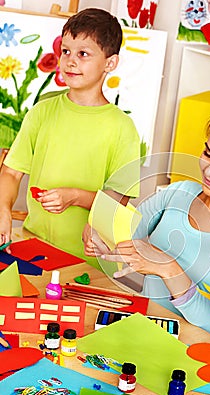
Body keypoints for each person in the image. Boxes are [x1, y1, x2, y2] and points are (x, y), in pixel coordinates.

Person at [86, 103, 210, 340]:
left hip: (194, 355)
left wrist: (169, 269)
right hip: (142, 331)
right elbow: (126, 236)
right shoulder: (179, 192)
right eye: (208, 154)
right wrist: (101, 234)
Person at [0, 8, 140, 264]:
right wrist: (3, 209)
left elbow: (121, 197)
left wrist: (76, 196)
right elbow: (10, 173)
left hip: (86, 262)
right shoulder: (41, 112)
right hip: (34, 247)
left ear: (110, 63)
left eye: (83, 53)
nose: (70, 61)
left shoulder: (122, 127)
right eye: (66, 51)